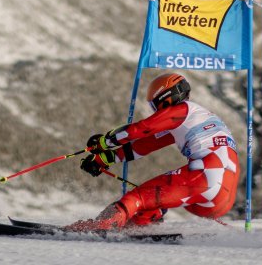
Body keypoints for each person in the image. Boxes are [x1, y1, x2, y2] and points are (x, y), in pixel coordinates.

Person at [68, 72, 239, 231]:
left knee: (137, 198)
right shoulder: (196, 118)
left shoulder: (182, 110)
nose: (156, 110)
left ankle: (101, 226)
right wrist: (104, 159)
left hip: (205, 174)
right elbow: (145, 145)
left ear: (165, 98)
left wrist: (105, 141)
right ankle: (139, 228)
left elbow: (142, 129)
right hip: (223, 195)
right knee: (152, 201)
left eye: (155, 104)